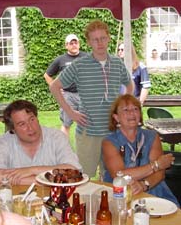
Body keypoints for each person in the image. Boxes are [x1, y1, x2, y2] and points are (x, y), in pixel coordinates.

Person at [50, 19, 134, 178]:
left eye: (103, 38)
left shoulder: (117, 63)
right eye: (95, 39)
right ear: (88, 42)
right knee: (84, 178)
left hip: (113, 132)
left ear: (109, 38)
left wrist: (123, 109)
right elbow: (54, 87)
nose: (100, 43)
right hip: (88, 132)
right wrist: (71, 112)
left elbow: (130, 86)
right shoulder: (79, 65)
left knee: (113, 177)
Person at [102, 94, 179, 206]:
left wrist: (144, 185)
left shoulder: (152, 136)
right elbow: (119, 175)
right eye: (126, 110)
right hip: (119, 194)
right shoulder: (109, 142)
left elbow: (160, 174)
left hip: (153, 190)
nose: (132, 113)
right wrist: (156, 165)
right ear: (116, 117)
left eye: (135, 109)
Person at [0, 100, 82, 185]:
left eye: (32, 119)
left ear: (37, 118)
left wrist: (31, 170)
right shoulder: (4, 141)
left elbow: (73, 169)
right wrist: (43, 180)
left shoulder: (56, 137)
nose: (30, 127)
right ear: (13, 130)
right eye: (22, 124)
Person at [44, 34, 87, 137]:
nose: (74, 45)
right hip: (68, 96)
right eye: (71, 43)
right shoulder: (60, 60)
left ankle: (87, 149)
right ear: (66, 46)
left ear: (79, 44)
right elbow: (47, 75)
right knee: (66, 124)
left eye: (75, 42)